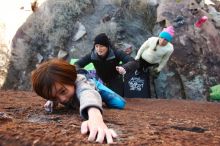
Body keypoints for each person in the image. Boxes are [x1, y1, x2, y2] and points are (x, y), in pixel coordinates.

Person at [31, 59, 118, 144]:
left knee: (118, 103)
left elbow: (87, 92)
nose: (62, 99)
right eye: (54, 97)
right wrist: (51, 101)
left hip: (92, 85)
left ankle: (100, 90)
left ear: (72, 80)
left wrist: (95, 118)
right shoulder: (57, 90)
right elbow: (54, 91)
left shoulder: (80, 82)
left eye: (63, 91)